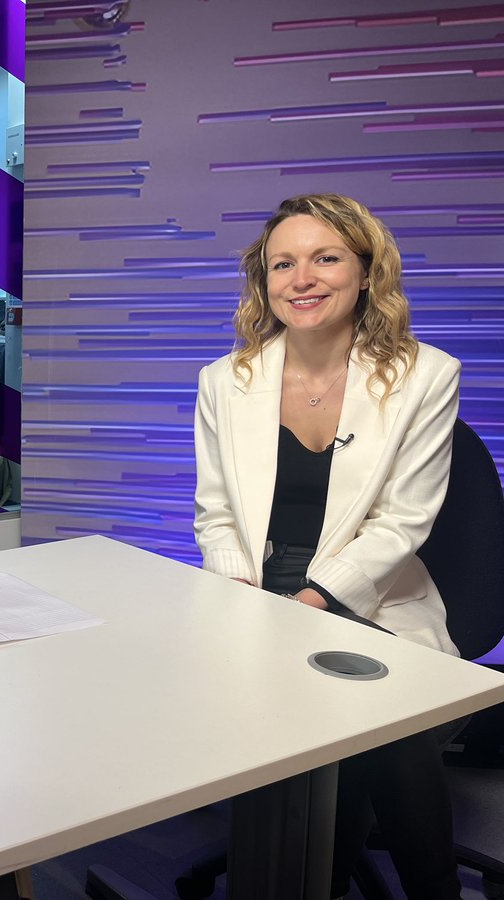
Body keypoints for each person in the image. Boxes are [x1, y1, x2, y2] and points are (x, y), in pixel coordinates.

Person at [194, 193, 461, 899]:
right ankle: (329, 875)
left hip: (369, 592)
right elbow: (215, 515)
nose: (302, 278)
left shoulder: (426, 376)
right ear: (265, 281)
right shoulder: (225, 382)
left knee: (382, 714)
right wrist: (243, 597)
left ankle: (416, 885)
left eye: (325, 258)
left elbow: (403, 522)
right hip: (255, 591)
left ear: (367, 272)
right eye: (284, 263)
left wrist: (313, 603)